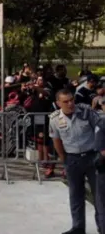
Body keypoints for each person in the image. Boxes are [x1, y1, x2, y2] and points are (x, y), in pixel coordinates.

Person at [50, 89, 105, 234]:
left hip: (93, 157)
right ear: (58, 103)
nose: (70, 103)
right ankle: (78, 228)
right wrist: (64, 159)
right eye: (66, 101)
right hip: (72, 160)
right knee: (75, 195)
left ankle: (102, 227)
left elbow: (101, 131)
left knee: (99, 196)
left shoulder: (86, 113)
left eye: (72, 100)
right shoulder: (55, 119)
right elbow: (56, 140)